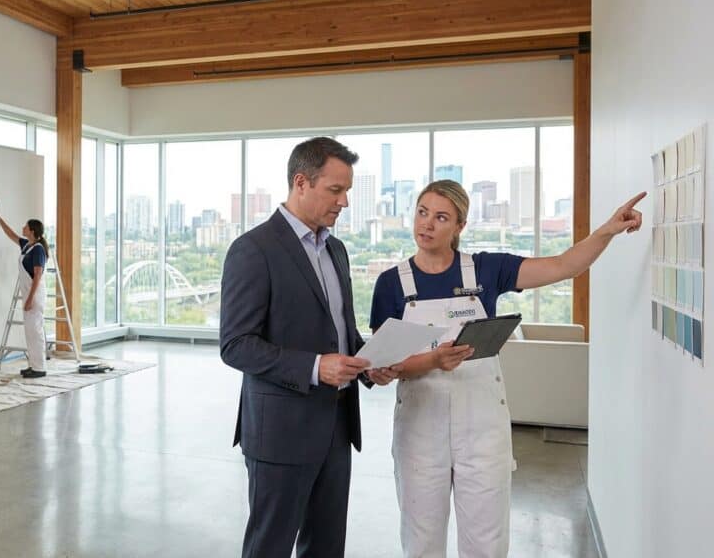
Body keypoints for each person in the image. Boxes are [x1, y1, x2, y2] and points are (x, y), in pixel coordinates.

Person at [369, 179, 644, 557]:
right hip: (420, 430)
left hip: (482, 429)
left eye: (441, 217)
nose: (427, 224)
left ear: (459, 226)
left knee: (487, 542)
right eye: (422, 212)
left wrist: (607, 231)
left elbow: (564, 266)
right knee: (421, 541)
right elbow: (385, 362)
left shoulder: (487, 270)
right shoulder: (390, 283)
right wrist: (432, 361)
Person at [220, 137, 399, 558]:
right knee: (270, 547)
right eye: (336, 190)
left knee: (326, 548)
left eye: (347, 191)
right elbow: (235, 345)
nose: (345, 202)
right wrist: (317, 367)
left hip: (337, 429)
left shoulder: (336, 250)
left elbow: (341, 333)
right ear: (301, 182)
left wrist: (370, 362)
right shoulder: (253, 250)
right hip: (280, 433)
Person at [0, 208, 49, 378]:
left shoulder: (38, 249)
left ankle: (40, 368)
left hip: (35, 296)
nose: (23, 228)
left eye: (25, 226)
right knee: (30, 332)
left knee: (35, 331)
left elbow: (37, 275)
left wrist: (30, 299)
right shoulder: (28, 246)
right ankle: (34, 365)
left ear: (32, 231)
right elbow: (11, 234)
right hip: (29, 295)